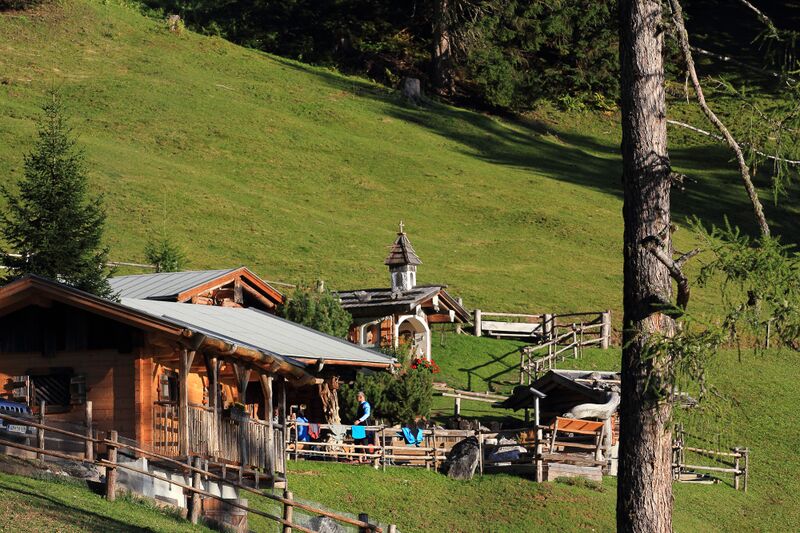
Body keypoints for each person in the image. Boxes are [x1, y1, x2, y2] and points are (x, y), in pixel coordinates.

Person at [353, 391, 371, 461]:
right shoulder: (360, 405)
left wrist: (359, 420)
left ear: (361, 397)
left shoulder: (366, 404)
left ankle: (368, 459)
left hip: (364, 426)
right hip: (359, 427)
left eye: (357, 397)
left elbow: (367, 414)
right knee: (356, 442)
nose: (356, 398)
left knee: (365, 442)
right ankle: (356, 458)